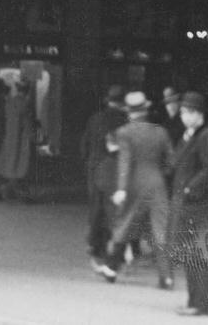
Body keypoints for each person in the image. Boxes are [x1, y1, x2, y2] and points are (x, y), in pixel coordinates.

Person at [100, 90, 175, 288]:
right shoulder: (161, 132)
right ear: (146, 110)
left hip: (134, 184)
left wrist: (122, 189)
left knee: (124, 225)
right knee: (160, 230)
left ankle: (111, 268)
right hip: (157, 184)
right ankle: (166, 277)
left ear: (129, 112)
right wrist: (160, 175)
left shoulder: (124, 133)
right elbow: (171, 162)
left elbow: (124, 162)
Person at [169, 92, 208, 316]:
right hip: (185, 203)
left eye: (187, 112)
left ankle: (200, 304)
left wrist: (191, 189)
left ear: (198, 114)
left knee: (196, 253)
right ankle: (193, 301)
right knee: (190, 252)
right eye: (182, 112)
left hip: (197, 204)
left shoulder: (206, 137)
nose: (183, 117)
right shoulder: (187, 136)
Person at [82, 85, 128, 273]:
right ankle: (115, 249)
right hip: (115, 169)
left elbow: (84, 144)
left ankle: (95, 244)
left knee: (96, 206)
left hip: (95, 167)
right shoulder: (124, 121)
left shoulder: (95, 118)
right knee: (114, 210)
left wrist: (89, 161)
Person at [0, 78, 36, 201]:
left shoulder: (9, 102)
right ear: (27, 91)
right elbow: (28, 124)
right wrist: (35, 137)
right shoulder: (26, 103)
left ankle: (4, 190)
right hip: (22, 140)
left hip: (9, 138)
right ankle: (22, 194)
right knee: (21, 167)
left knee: (10, 165)